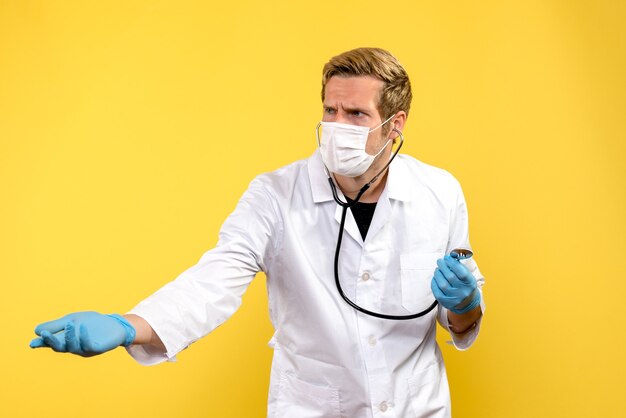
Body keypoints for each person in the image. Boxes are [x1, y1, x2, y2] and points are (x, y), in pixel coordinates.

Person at [30, 47, 485, 418]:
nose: (336, 126)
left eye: (356, 114)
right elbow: (213, 282)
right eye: (330, 109)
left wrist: (466, 304)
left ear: (395, 124)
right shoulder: (275, 195)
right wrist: (126, 326)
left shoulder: (439, 192)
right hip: (312, 409)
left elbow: (458, 324)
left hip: (416, 408)